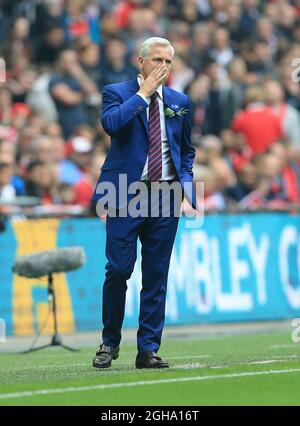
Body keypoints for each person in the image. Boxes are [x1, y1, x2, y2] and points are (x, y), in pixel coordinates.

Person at [91, 37, 196, 369]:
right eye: (157, 60)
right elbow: (111, 124)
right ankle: (110, 341)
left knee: (156, 275)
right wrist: (144, 94)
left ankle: (148, 348)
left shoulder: (179, 100)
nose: (162, 67)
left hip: (165, 195)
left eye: (168, 62)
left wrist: (187, 181)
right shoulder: (117, 92)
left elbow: (187, 148)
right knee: (119, 269)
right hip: (125, 192)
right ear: (141, 61)